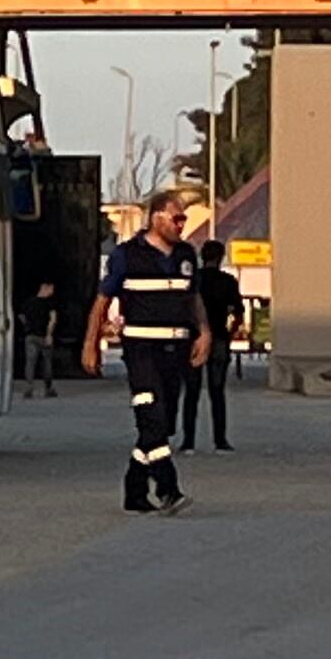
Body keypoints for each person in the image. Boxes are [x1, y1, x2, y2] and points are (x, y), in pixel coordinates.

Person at [85, 193, 212, 514]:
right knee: (150, 413)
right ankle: (169, 490)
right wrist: (91, 343)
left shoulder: (186, 255)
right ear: (156, 218)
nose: (182, 225)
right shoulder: (128, 255)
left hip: (177, 348)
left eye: (184, 219)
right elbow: (102, 302)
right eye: (177, 218)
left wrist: (205, 332)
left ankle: (135, 490)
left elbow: (193, 297)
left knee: (161, 425)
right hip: (141, 349)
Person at [180, 239, 244, 452]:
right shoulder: (228, 281)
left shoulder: (193, 280)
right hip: (218, 338)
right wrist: (230, 334)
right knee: (217, 391)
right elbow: (238, 312)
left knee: (192, 391)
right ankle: (220, 440)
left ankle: (188, 441)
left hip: (193, 339)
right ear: (221, 257)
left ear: (201, 256)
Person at [21, 274, 62, 395]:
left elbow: (21, 316)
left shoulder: (29, 302)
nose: (52, 291)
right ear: (45, 287)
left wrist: (27, 326)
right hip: (44, 336)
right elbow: (53, 320)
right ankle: (48, 388)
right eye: (51, 289)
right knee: (47, 363)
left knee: (30, 363)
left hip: (30, 336)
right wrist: (49, 334)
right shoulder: (50, 304)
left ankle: (29, 387)